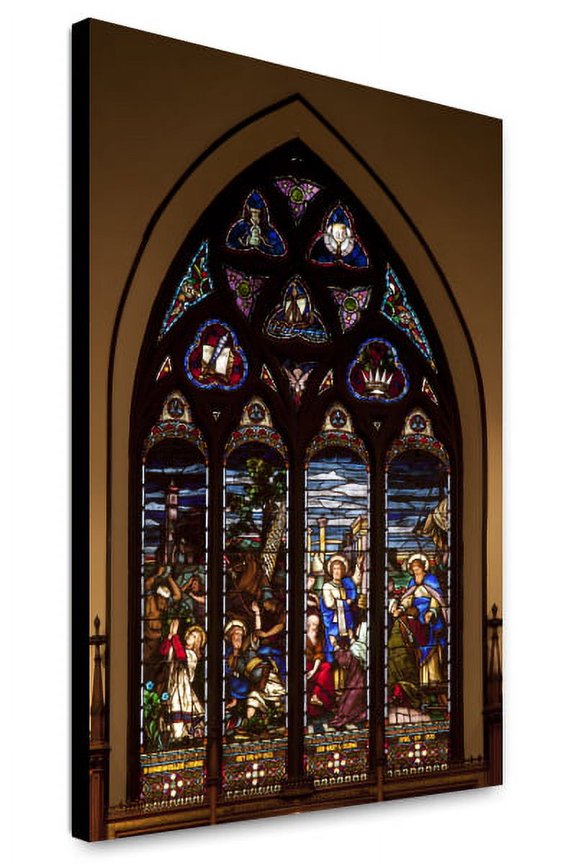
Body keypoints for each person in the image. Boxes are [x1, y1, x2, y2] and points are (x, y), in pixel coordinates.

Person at [391, 553, 447, 689]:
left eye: (418, 569)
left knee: (431, 643)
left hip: (430, 615)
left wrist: (431, 612)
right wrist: (401, 608)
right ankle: (420, 679)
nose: (416, 572)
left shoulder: (431, 579)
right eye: (414, 570)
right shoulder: (412, 582)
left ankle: (434, 679)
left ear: (423, 568)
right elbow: (408, 598)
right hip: (416, 613)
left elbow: (436, 598)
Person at [159, 619, 206, 742]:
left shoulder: (192, 655)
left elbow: (181, 657)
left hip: (183, 690)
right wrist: (170, 637)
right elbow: (164, 652)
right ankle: (173, 739)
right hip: (171, 684)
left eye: (194, 636)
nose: (190, 636)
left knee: (178, 710)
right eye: (190, 634)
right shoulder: (177, 646)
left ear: (197, 643)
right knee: (169, 710)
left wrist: (175, 636)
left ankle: (180, 738)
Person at [320, 554, 363, 661]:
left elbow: (356, 580)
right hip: (333, 618)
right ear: (331, 571)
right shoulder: (327, 586)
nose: (337, 571)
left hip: (346, 618)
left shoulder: (346, 583)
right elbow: (329, 604)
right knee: (333, 636)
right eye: (334, 569)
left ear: (343, 571)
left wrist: (358, 565)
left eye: (339, 569)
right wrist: (345, 602)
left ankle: (351, 647)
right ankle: (335, 650)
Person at [305, 612, 335, 719]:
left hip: (314, 666)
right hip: (305, 666)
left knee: (327, 667)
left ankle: (315, 695)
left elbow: (319, 655)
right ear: (308, 624)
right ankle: (316, 701)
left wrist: (314, 670)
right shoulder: (303, 637)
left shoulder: (318, 638)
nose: (315, 627)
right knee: (325, 676)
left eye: (317, 625)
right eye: (313, 624)